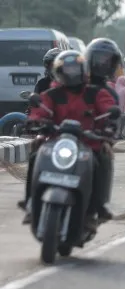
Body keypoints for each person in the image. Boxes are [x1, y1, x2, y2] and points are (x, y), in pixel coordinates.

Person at [20, 50, 117, 230]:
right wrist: (36, 122)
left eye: (75, 70)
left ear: (83, 71)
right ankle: (31, 203)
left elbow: (108, 109)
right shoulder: (52, 93)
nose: (71, 74)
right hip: (57, 141)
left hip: (88, 143)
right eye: (67, 70)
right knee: (35, 151)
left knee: (104, 156)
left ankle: (98, 206)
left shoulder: (95, 93)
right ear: (59, 71)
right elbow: (39, 110)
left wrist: (109, 125)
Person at [84, 38, 123, 104]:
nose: (102, 63)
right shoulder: (80, 89)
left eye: (107, 60)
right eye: (99, 58)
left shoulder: (111, 93)